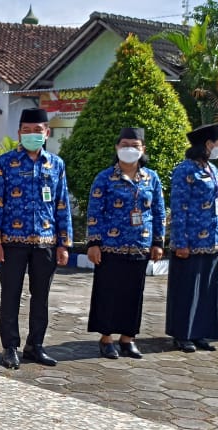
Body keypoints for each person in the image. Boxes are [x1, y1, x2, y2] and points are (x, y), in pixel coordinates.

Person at [0, 108, 72, 370]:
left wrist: (64, 243)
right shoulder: (3, 163)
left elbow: (62, 204)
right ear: (19, 133)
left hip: (45, 242)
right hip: (12, 242)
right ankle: (10, 347)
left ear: (47, 133)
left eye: (38, 131)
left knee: (41, 297)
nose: (33, 135)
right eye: (27, 130)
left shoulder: (56, 164)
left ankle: (35, 345)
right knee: (10, 295)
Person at [85, 127, 166, 359]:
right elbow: (95, 211)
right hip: (110, 245)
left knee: (133, 293)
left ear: (143, 149)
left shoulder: (152, 178)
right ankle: (106, 337)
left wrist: (158, 242)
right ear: (117, 148)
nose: (130, 149)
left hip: (140, 244)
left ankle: (128, 338)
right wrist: (94, 242)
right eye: (125, 145)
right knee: (107, 292)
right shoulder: (104, 178)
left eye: (135, 145)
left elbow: (159, 211)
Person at [165, 123, 218, 352]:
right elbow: (179, 207)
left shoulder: (212, 169)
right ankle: (183, 334)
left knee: (208, 289)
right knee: (187, 289)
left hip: (212, 240)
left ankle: (201, 332)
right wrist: (180, 241)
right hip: (190, 240)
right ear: (207, 144)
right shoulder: (185, 170)